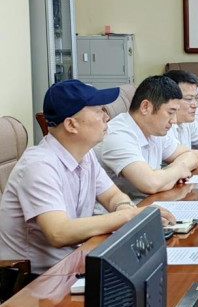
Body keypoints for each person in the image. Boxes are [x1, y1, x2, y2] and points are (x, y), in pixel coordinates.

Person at [0, 80, 174, 274]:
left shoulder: (85, 155)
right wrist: (129, 216)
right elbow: (58, 232)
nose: (107, 117)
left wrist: (125, 208)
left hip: (75, 261)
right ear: (71, 125)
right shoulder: (39, 166)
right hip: (36, 279)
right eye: (98, 111)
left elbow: (112, 196)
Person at [97, 76, 198, 200]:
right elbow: (151, 184)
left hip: (149, 203)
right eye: (170, 113)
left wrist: (173, 171)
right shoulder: (118, 135)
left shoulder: (154, 130)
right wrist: (178, 171)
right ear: (145, 107)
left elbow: (191, 156)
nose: (174, 120)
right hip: (124, 210)